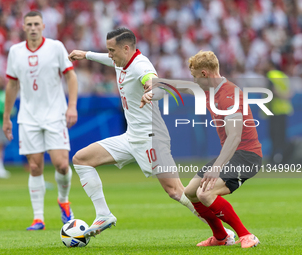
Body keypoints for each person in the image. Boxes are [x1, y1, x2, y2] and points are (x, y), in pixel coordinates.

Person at [68, 28, 235, 241]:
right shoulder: (121, 61)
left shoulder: (140, 66)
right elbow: (109, 60)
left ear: (126, 49)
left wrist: (150, 92)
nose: (109, 55)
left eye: (112, 50)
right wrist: (86, 54)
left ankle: (225, 234)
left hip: (151, 138)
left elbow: (157, 85)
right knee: (81, 159)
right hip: (131, 137)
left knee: (177, 192)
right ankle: (103, 215)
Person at [141, 50, 262, 248]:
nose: (194, 81)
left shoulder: (229, 95)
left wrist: (216, 168)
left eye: (196, 77)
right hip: (232, 156)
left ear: (205, 74)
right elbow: (185, 86)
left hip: (246, 157)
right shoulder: (209, 90)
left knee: (205, 193)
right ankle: (221, 237)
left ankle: (246, 235)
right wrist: (156, 82)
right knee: (190, 192)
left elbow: (235, 137)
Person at [3, 11, 79, 230]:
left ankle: (64, 202)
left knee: (62, 165)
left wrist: (71, 106)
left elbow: (70, 76)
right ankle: (38, 218)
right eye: (29, 24)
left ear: (43, 26)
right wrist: (7, 117)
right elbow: (11, 85)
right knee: (35, 165)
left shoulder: (55, 47)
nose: (33, 27)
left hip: (55, 114)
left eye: (37, 24)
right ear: (24, 27)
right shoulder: (15, 52)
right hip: (28, 117)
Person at [265, 66, 293, 165]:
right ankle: (282, 158)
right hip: (284, 110)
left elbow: (272, 90)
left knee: (275, 136)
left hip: (275, 110)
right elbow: (290, 93)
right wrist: (285, 97)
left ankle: (274, 160)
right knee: (281, 137)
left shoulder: (271, 75)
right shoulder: (284, 77)